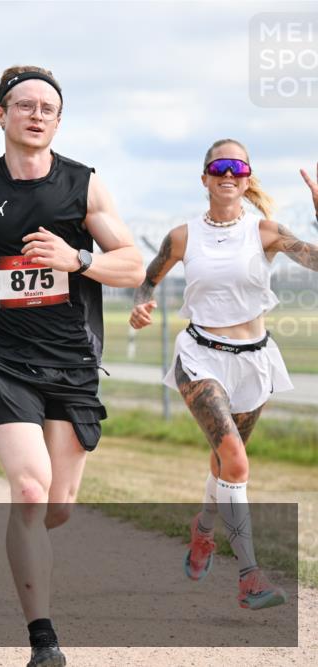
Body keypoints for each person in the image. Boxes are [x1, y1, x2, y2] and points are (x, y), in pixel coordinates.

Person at [0, 66, 144, 667]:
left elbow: (131, 265)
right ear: (0, 115)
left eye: (47, 108)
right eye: (23, 105)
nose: (35, 114)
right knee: (30, 489)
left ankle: (23, 547)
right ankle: (44, 642)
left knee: (57, 505)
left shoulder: (85, 186)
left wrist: (76, 258)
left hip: (72, 361)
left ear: (58, 121)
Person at [131, 144, 317, 610]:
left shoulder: (267, 232)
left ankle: (204, 530)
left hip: (254, 361)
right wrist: (141, 302)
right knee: (235, 461)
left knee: (224, 464)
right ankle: (250, 575)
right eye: (219, 167)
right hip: (201, 357)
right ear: (205, 178)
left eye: (238, 167)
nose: (228, 174)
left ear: (248, 177)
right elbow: (150, 276)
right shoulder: (182, 237)